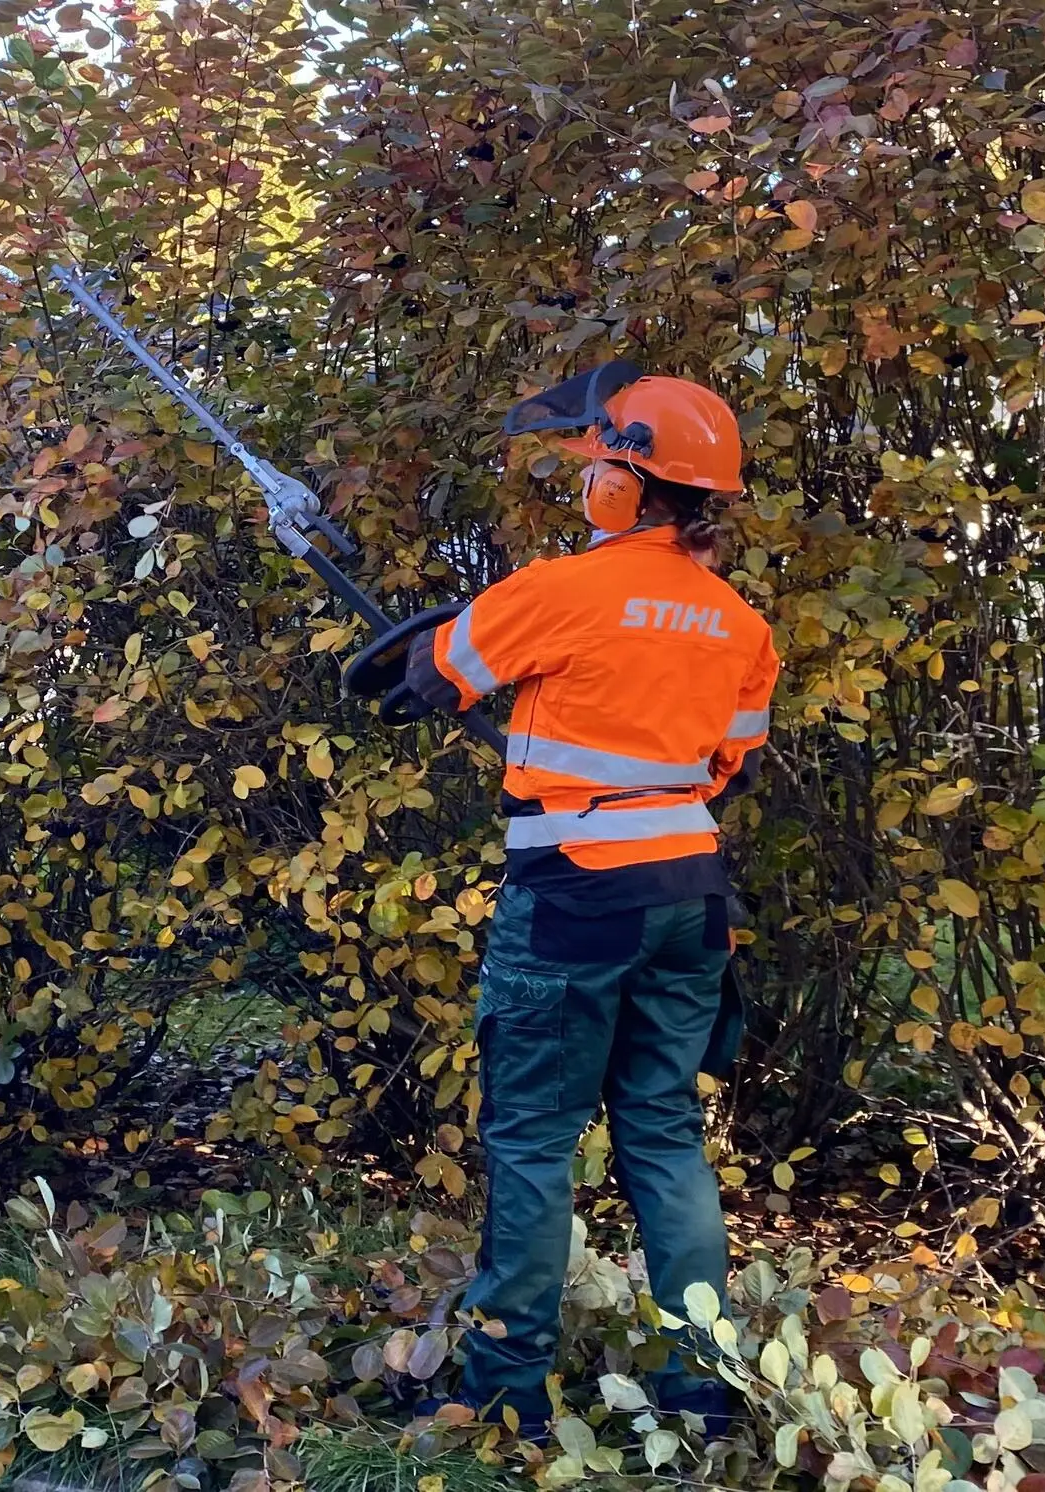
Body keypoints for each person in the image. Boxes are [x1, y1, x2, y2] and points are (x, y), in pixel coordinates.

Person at [397, 362, 778, 1435]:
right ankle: (700, 1382)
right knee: (661, 1128)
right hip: (690, 893)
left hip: (575, 895)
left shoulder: (563, 590)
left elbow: (437, 671)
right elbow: (727, 766)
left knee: (531, 1135)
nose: (586, 484)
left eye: (597, 466)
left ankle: (504, 1383)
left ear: (620, 487)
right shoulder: (740, 625)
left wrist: (414, 664)